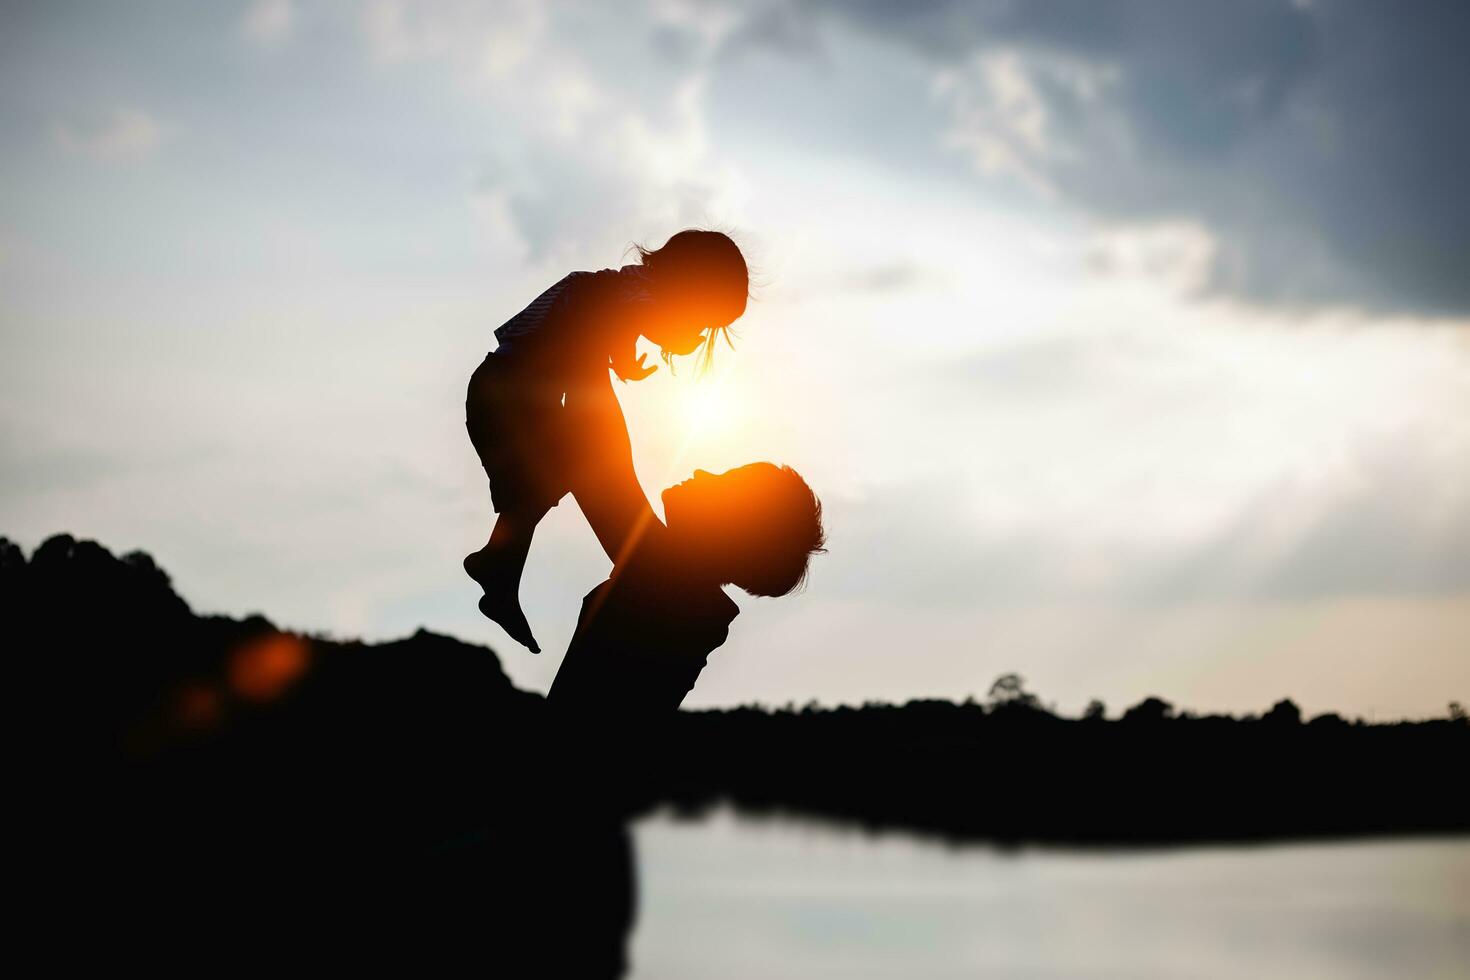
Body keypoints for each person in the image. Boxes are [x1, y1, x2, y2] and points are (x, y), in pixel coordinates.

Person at [464, 230, 749, 654]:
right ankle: (503, 567)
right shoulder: (632, 296)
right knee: (579, 464)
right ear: (686, 288)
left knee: (546, 481)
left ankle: (499, 569)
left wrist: (622, 358)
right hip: (506, 396)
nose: (698, 334)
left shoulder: (621, 290)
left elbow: (604, 330)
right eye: (703, 319)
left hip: (512, 394)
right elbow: (634, 325)